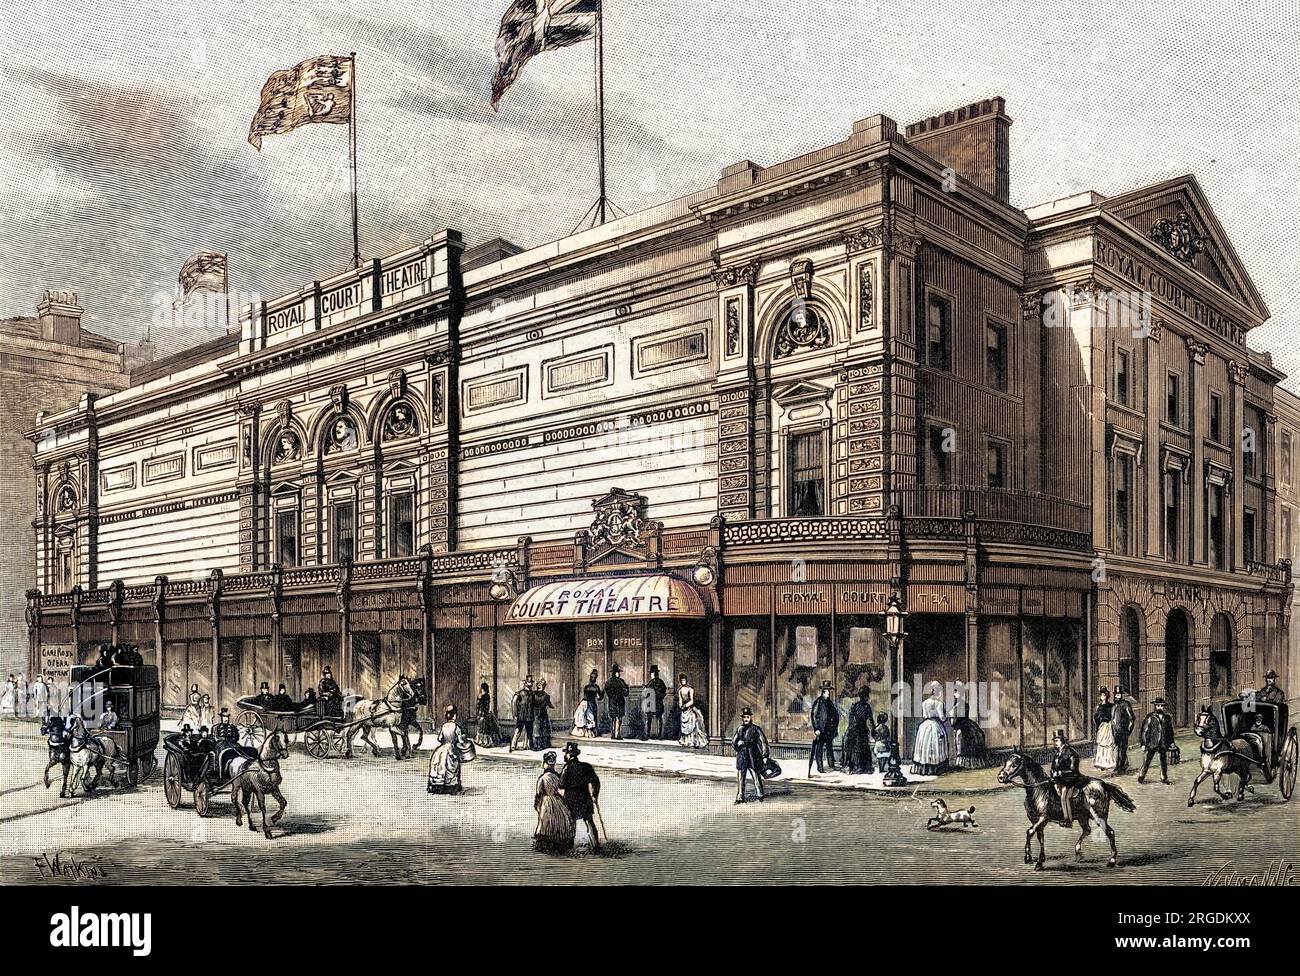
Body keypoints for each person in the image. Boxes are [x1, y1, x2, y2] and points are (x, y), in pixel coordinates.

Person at [558, 742, 602, 851]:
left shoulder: (566, 769)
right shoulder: (586, 766)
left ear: (569, 755)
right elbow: (595, 781)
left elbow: (561, 785)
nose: (565, 755)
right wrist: (595, 795)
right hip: (585, 798)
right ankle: (596, 845)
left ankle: (569, 846)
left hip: (571, 800)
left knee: (572, 823)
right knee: (589, 822)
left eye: (566, 753)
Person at [534, 751, 575, 853]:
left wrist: (536, 804)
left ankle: (546, 842)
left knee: (546, 822)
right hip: (558, 801)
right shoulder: (558, 777)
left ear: (545, 764)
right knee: (558, 821)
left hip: (547, 801)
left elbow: (539, 793)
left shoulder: (542, 778)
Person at [428, 705, 474, 795]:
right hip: (451, 748)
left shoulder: (444, 726)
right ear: (455, 715)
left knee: (440, 765)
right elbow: (460, 740)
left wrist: (446, 740)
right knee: (453, 765)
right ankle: (452, 786)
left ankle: (439, 785)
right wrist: (464, 741)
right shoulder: (456, 727)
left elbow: (440, 739)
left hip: (443, 748)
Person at [733, 707, 770, 803]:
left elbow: (763, 742)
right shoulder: (740, 729)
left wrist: (765, 755)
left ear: (751, 717)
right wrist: (738, 745)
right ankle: (740, 796)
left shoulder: (756, 729)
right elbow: (734, 742)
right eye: (744, 717)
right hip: (742, 755)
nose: (746, 719)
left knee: (755, 774)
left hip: (753, 755)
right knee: (741, 776)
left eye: (748, 717)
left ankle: (759, 794)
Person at [1137, 696, 1176, 784]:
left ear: (1164, 707)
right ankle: (1141, 776)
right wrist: (1143, 743)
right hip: (1152, 742)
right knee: (1147, 760)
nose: (1160, 707)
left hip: (1163, 743)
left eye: (1161, 706)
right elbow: (1144, 731)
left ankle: (1164, 778)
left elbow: (1170, 731)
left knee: (1163, 761)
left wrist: (1172, 742)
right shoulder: (1150, 717)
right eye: (1158, 705)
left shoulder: (1167, 718)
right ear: (1155, 706)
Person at [910, 687, 949, 775]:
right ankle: (934, 768)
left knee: (925, 746)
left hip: (925, 726)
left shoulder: (924, 703)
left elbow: (924, 715)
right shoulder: (939, 703)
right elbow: (942, 717)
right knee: (935, 746)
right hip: (935, 725)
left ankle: (923, 768)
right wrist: (946, 718)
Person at [1049, 729, 1085, 822]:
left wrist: (1060, 773)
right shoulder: (1057, 753)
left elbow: (1073, 770)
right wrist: (1052, 773)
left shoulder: (1071, 753)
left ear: (1062, 741)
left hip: (1071, 779)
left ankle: (1068, 819)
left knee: (1064, 797)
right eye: (1054, 741)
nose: (1055, 743)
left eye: (1057, 741)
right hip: (1059, 779)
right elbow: (1053, 766)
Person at [951, 686, 987, 769]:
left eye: (957, 692)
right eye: (955, 692)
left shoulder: (956, 706)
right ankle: (968, 763)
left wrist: (953, 723)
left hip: (962, 727)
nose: (956, 694)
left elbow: (955, 722)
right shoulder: (963, 704)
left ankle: (964, 764)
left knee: (963, 742)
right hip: (968, 725)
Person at [841, 686, 875, 773]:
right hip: (862, 730)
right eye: (868, 695)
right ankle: (863, 767)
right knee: (863, 748)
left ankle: (855, 767)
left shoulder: (854, 706)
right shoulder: (867, 707)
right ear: (866, 696)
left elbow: (851, 719)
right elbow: (870, 721)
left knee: (855, 749)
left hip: (854, 730)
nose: (868, 697)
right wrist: (873, 731)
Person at [809, 681, 839, 775]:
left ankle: (831, 764)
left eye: (829, 691)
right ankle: (820, 767)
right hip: (821, 730)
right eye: (828, 691)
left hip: (829, 730)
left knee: (829, 747)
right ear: (824, 691)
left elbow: (835, 715)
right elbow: (814, 715)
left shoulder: (829, 702)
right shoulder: (818, 702)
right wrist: (816, 728)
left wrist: (834, 727)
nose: (829, 693)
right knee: (819, 749)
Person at [1111, 685, 1136, 775]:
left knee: (1122, 750)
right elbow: (1113, 719)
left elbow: (1131, 718)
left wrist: (1128, 731)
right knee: (1117, 750)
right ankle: (1118, 766)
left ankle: (1121, 768)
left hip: (1123, 731)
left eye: (1118, 695)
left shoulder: (1126, 704)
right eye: (1116, 695)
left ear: (1121, 695)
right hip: (1116, 731)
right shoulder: (1114, 705)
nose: (1117, 696)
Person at [677, 674, 708, 748]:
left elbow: (692, 700)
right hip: (684, 710)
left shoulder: (690, 689)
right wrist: (681, 705)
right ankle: (687, 741)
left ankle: (694, 741)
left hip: (690, 708)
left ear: (686, 680)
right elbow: (680, 700)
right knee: (684, 724)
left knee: (694, 722)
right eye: (681, 680)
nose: (683, 682)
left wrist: (686, 705)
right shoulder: (680, 690)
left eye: (684, 680)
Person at [1092, 688, 1116, 773]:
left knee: (1107, 744)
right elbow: (1096, 717)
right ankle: (1101, 762)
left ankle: (1108, 763)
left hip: (1107, 726)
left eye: (1103, 695)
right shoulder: (1099, 706)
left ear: (1106, 696)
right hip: (1101, 727)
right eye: (1101, 695)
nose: (1102, 696)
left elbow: (1111, 717)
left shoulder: (1111, 706)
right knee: (1101, 744)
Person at [511, 675, 535, 751]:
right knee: (518, 730)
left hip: (529, 715)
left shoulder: (532, 694)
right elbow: (514, 703)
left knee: (529, 731)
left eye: (531, 682)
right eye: (529, 682)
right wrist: (515, 715)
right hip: (521, 715)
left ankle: (528, 745)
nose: (531, 684)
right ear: (526, 683)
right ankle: (513, 745)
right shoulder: (520, 693)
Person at [604, 665, 629, 740]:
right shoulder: (618, 682)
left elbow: (626, 693)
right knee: (617, 718)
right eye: (617, 672)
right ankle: (615, 734)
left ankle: (615, 734)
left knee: (616, 718)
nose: (619, 674)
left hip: (615, 702)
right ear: (615, 673)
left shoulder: (611, 682)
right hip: (616, 702)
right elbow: (626, 693)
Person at [474, 683, 502, 748]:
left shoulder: (480, 696)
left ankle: (482, 741)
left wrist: (477, 714)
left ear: (482, 688)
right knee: (486, 729)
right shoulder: (487, 696)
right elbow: (487, 706)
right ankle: (487, 742)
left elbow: (478, 707)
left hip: (481, 714)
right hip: (486, 714)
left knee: (482, 729)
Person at [646, 665, 668, 740]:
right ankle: (650, 734)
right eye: (651, 673)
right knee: (651, 718)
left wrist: (655, 695)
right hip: (653, 703)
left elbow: (663, 693)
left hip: (657, 703)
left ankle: (658, 735)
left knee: (658, 719)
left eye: (652, 673)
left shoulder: (658, 682)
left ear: (655, 674)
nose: (651, 675)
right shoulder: (651, 682)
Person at [582, 670, 605, 737]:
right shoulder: (596, 687)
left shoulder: (586, 687)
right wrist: (603, 692)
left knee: (588, 718)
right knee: (594, 718)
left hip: (587, 704)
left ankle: (588, 732)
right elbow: (600, 697)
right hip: (593, 704)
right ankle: (594, 732)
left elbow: (585, 697)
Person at [532, 679, 554, 750]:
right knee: (536, 730)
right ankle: (536, 745)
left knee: (543, 729)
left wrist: (551, 706)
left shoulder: (546, 696)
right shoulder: (533, 694)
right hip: (535, 714)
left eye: (542, 685)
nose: (540, 686)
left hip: (543, 714)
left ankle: (543, 744)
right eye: (538, 685)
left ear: (544, 686)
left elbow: (549, 704)